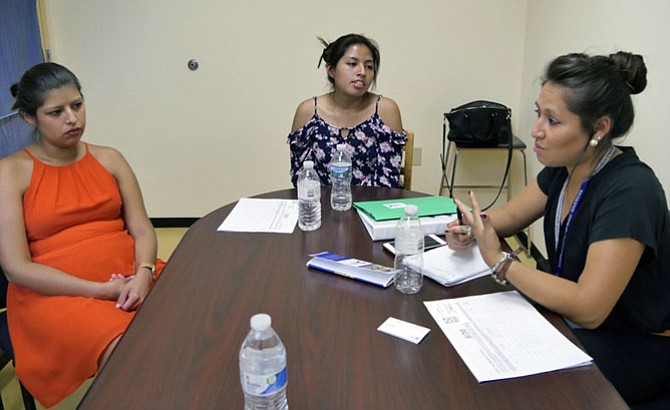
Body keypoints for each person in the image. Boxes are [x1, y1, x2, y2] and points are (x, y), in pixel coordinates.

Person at [446, 51, 670, 405]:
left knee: (510, 389)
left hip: (633, 343)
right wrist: (471, 227)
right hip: (572, 321)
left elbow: (590, 307)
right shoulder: (565, 166)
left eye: (553, 121)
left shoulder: (631, 191)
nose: (536, 131)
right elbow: (508, 217)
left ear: (599, 128)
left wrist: (502, 262)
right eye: (539, 114)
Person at [0, 62, 165, 407]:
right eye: (56, 112)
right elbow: (17, 268)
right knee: (130, 352)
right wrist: (100, 290)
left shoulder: (109, 158)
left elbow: (141, 228)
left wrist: (144, 273)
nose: (72, 119)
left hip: (130, 275)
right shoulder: (10, 172)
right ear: (30, 118)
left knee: (193, 315)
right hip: (53, 294)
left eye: (77, 105)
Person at [287, 33, 407, 188]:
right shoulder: (308, 111)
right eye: (352, 64)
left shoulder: (386, 110)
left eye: (369, 66)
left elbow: (389, 181)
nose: (362, 72)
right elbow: (301, 178)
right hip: (321, 207)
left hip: (374, 207)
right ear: (331, 70)